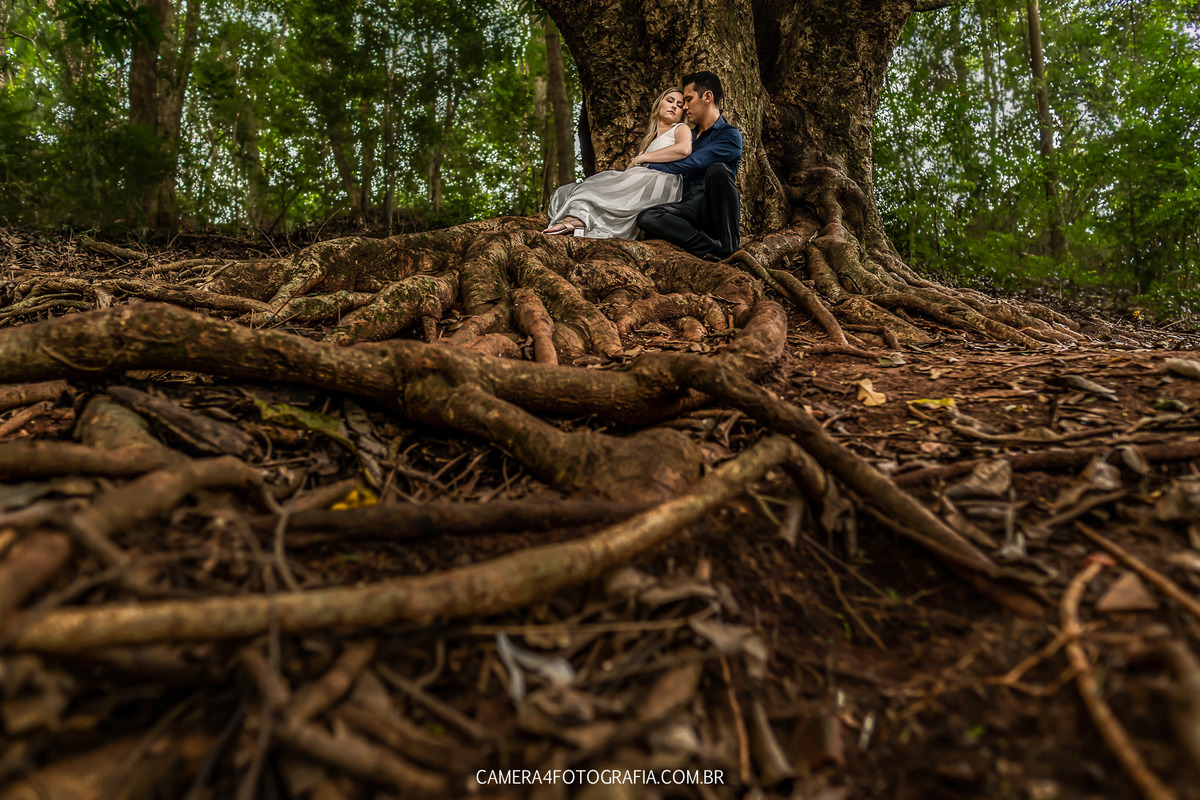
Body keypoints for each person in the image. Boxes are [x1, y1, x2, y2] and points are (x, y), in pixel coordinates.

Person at [542, 88, 691, 239]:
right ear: (659, 104)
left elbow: (684, 149)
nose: (674, 106)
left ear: (682, 114)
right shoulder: (649, 141)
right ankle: (578, 220)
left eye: (679, 105)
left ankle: (578, 221)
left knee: (593, 190)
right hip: (641, 181)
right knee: (573, 190)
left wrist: (642, 158)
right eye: (670, 101)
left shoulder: (680, 128)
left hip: (661, 183)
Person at [636, 71, 743, 260]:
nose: (684, 107)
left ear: (707, 97)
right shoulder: (685, 135)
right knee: (647, 217)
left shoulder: (729, 135)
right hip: (685, 207)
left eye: (688, 99)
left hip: (712, 210)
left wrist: (648, 163)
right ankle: (709, 249)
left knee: (717, 170)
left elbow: (693, 161)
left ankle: (729, 249)